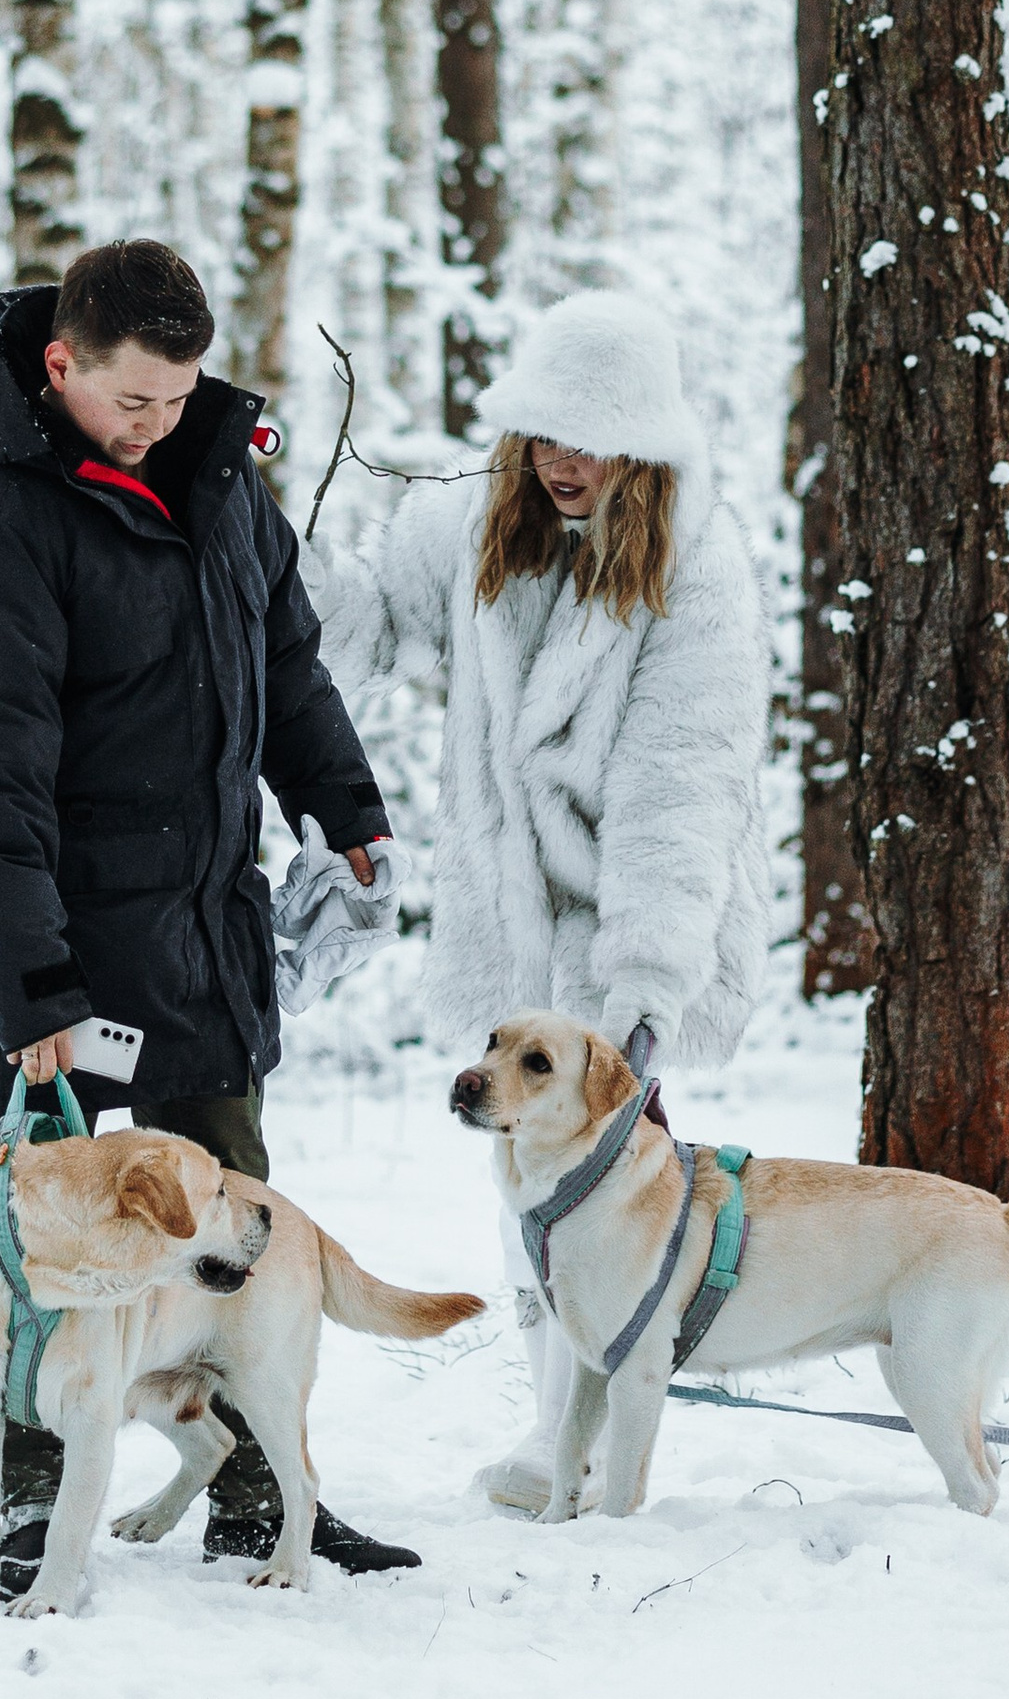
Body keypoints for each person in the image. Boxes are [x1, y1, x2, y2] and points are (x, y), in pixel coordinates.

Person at [0, 237, 417, 1583]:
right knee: (41, 1251)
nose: (156, 426)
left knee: (235, 1233)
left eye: (178, 399)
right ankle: (27, 1494)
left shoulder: (217, 477)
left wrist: (344, 813)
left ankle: (260, 1487)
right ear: (60, 363)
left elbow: (285, 665)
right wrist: (32, 1001)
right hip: (51, 951)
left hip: (198, 933)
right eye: (131, 402)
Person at [303, 290, 771, 1507]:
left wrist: (643, 991)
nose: (566, 463)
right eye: (548, 435)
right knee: (529, 1199)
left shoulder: (696, 571)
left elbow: (682, 795)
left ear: (647, 447)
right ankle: (548, 1436)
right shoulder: (466, 530)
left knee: (608, 1205)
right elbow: (357, 638)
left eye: (595, 438)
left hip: (635, 931)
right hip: (515, 932)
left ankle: (586, 1450)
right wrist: (270, 543)